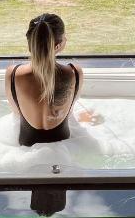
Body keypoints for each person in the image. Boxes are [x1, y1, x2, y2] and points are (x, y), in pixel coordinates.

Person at [5, 13, 83, 146]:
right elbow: (69, 112)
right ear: (57, 46)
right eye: (64, 37)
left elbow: (16, 113)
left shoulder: (13, 74)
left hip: (26, 148)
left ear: (31, 44)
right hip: (63, 147)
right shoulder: (74, 73)